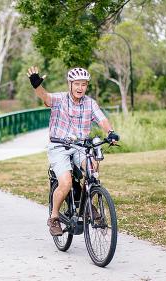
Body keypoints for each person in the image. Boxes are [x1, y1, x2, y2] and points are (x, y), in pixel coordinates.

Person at [27, 66, 120, 236]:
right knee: (66, 183)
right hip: (59, 146)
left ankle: (87, 201)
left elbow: (102, 119)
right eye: (76, 83)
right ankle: (54, 218)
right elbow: (46, 98)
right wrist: (37, 85)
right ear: (70, 84)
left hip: (80, 146)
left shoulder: (90, 103)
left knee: (93, 167)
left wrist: (110, 132)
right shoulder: (60, 99)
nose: (80, 88)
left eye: (83, 84)